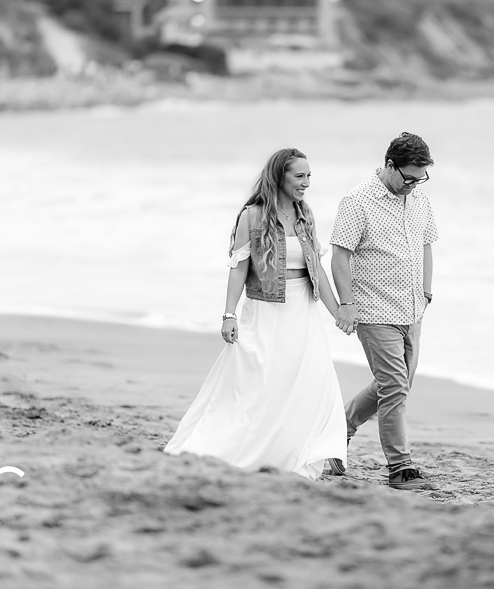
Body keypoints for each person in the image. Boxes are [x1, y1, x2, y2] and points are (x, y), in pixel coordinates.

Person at [164, 148, 347, 480]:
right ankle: (240, 448)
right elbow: (238, 269)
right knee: (259, 383)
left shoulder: (306, 214)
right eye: (299, 176)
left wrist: (337, 311)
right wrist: (228, 315)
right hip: (265, 311)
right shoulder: (253, 215)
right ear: (280, 177)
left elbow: (316, 268)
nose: (306, 183)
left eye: (309, 176)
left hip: (303, 311)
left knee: (308, 382)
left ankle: (297, 451)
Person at [328, 132, 438, 490]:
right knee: (394, 387)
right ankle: (400, 466)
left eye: (419, 178)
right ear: (390, 166)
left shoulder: (419, 199)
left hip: (413, 308)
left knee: (396, 384)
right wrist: (346, 304)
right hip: (375, 310)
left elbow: (426, 244)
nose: (413, 185)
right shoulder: (357, 201)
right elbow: (340, 254)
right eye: (407, 177)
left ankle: (338, 429)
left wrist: (425, 291)